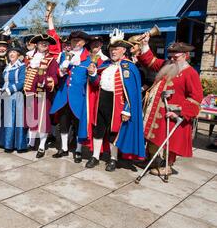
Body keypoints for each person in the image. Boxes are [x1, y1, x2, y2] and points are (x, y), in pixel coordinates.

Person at [137, 34, 204, 176]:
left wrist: (180, 112)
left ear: (185, 56)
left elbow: (196, 98)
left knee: (170, 142)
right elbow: (150, 61)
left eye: (176, 57)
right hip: (156, 112)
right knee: (152, 137)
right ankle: (153, 161)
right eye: (170, 57)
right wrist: (145, 44)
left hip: (172, 114)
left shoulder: (190, 73)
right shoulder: (167, 65)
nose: (172, 59)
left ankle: (168, 166)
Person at [86, 29, 145, 172]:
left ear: (123, 50)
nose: (113, 51)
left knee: (114, 132)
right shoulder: (105, 64)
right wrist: (93, 74)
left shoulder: (129, 67)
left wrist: (127, 109)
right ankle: (95, 156)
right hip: (102, 100)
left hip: (117, 103)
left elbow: (131, 93)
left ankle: (113, 159)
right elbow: (95, 83)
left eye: (116, 49)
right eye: (111, 49)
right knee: (98, 129)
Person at [50, 31, 92, 162]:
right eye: (74, 41)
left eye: (79, 41)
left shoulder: (89, 58)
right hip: (64, 95)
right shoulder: (63, 55)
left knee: (79, 124)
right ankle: (64, 148)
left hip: (79, 97)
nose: (76, 43)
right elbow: (58, 73)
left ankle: (78, 150)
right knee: (63, 123)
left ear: (84, 42)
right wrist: (62, 69)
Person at [24, 34, 59, 159]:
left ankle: (42, 145)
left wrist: (45, 79)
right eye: (40, 43)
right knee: (31, 119)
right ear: (36, 45)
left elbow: (54, 78)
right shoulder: (29, 58)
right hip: (29, 93)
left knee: (43, 121)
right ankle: (31, 142)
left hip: (43, 94)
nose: (43, 45)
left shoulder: (51, 60)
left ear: (48, 46)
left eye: (45, 44)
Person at [0, 41, 27, 153]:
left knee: (16, 120)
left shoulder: (22, 66)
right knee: (7, 119)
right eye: (10, 52)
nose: (12, 54)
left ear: (18, 54)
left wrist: (9, 90)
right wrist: (2, 89)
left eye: (14, 52)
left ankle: (18, 145)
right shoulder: (8, 66)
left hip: (16, 95)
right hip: (6, 95)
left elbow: (22, 82)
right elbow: (5, 81)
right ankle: (7, 144)